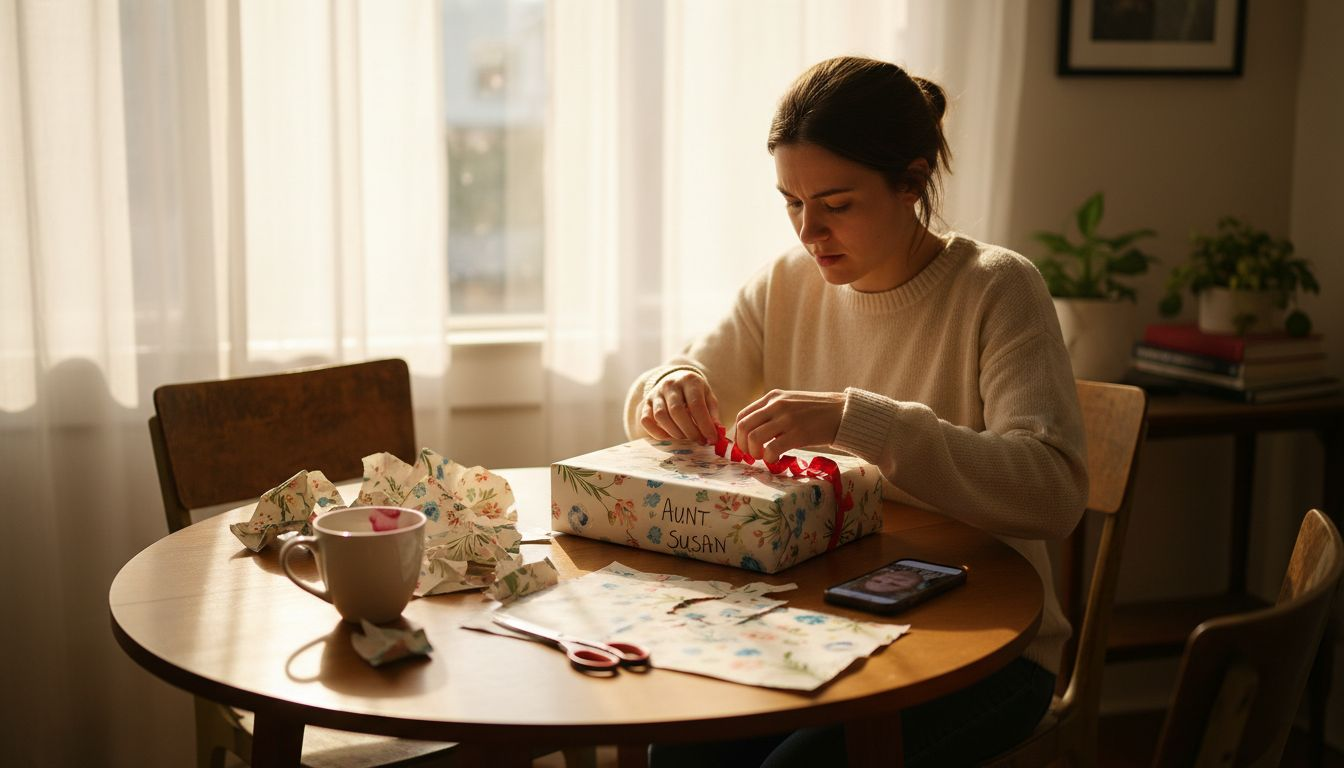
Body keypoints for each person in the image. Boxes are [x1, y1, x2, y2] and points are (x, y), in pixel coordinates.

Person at [623, 56, 1088, 767]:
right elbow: (672, 384)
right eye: (791, 202)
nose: (810, 232)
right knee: (682, 749)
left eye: (837, 205)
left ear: (911, 181)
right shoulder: (786, 283)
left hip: (988, 650)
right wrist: (670, 383)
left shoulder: (997, 288)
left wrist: (859, 420)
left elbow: (1054, 494)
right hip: (825, 626)